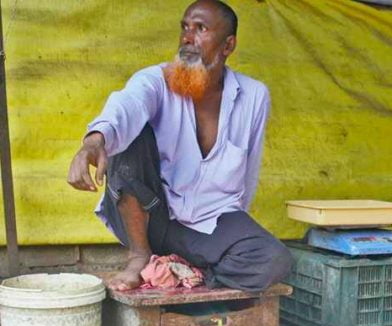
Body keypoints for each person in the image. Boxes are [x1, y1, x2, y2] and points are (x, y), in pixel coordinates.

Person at [66, 0, 292, 292]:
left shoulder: (253, 95)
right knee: (130, 136)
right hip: (151, 217)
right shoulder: (155, 80)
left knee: (275, 260)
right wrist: (94, 141)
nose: (187, 37)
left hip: (211, 220)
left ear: (228, 45)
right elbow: (127, 106)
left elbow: (249, 171)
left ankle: (189, 272)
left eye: (200, 29)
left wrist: (236, 228)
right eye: (185, 27)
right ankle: (141, 257)